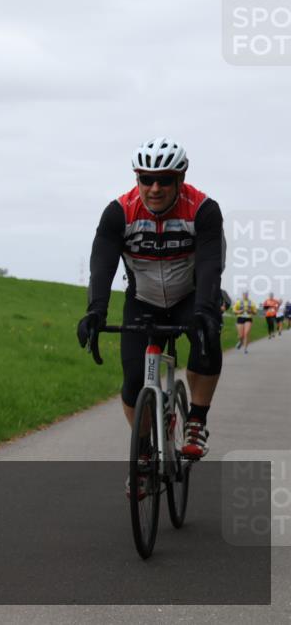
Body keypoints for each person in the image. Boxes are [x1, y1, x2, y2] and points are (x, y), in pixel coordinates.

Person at [77, 137, 223, 499]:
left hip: (189, 295)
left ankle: (195, 422)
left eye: (164, 179)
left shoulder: (202, 209)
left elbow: (209, 264)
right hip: (142, 300)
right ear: (137, 178)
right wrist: (95, 311)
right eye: (146, 179)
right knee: (132, 383)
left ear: (180, 178)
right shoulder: (119, 212)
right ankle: (143, 453)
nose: (154, 188)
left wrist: (205, 311)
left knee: (207, 342)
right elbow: (103, 263)